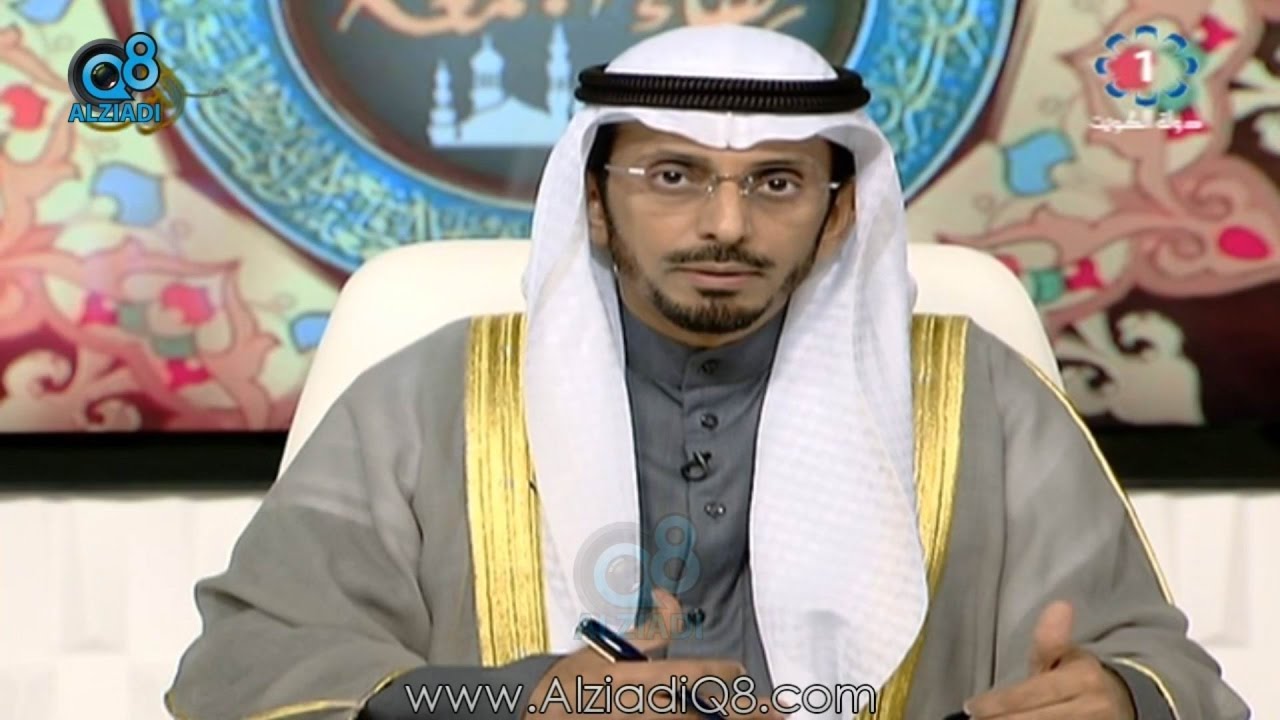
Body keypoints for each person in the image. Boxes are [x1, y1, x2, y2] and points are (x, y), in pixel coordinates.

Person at [164, 24, 1250, 720]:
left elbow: (1170, 673)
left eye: (776, 183)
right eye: (673, 176)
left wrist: (1120, 698)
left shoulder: (977, 399)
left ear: (836, 217)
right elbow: (240, 669)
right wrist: (513, 703)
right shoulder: (432, 396)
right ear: (595, 203)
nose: (725, 224)